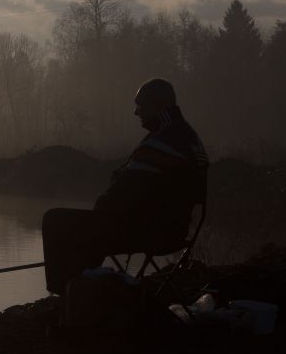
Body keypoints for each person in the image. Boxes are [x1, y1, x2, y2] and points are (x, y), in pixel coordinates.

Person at [41, 78, 208, 295]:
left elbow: (123, 193)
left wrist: (101, 207)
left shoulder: (162, 141)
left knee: (54, 220)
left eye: (141, 106)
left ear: (159, 106)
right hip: (172, 231)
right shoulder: (188, 136)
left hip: (148, 232)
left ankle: (65, 293)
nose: (136, 112)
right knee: (92, 226)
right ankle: (80, 288)